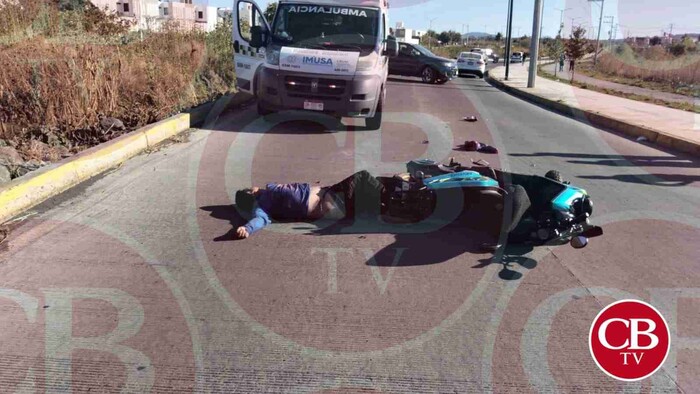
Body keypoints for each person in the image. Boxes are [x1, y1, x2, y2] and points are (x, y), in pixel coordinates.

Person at [234, 170, 386, 238]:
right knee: (362, 176)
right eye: (250, 189)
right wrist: (247, 228)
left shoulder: (268, 194)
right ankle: (388, 196)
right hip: (330, 200)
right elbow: (260, 220)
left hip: (333, 199)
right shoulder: (263, 205)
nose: (254, 188)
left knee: (371, 188)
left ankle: (394, 202)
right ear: (250, 194)